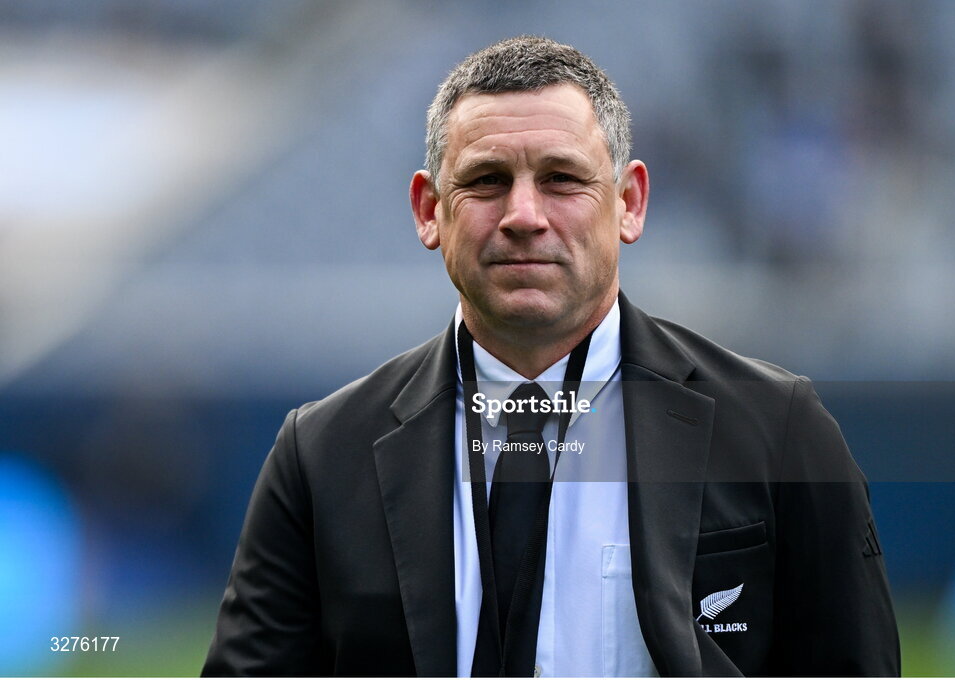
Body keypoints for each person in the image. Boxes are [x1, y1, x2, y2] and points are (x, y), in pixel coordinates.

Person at [202, 36, 900, 677]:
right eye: (487, 181)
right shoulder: (322, 456)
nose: (525, 214)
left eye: (563, 179)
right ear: (428, 210)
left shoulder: (779, 432)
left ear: (629, 202)